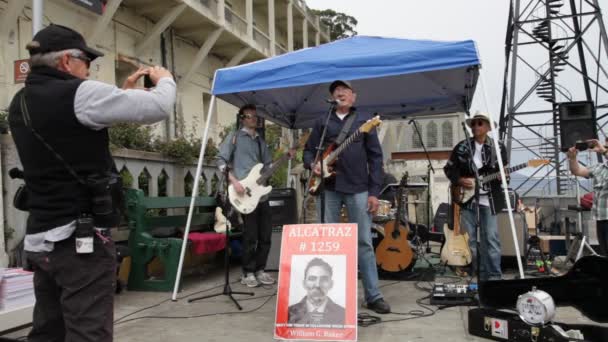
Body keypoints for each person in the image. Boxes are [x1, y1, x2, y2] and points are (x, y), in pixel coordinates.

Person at [8, 24, 176, 342]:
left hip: (41, 239)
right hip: (79, 241)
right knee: (89, 333)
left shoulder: (20, 101)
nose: (89, 68)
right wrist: (164, 79)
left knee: (48, 331)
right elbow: (159, 106)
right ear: (66, 61)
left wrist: (122, 93)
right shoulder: (79, 94)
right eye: (87, 60)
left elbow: (71, 128)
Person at [303, 80, 390, 314]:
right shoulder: (322, 122)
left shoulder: (364, 122)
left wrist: (374, 193)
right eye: (335, 91)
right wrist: (314, 164)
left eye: (344, 91)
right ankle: (331, 296)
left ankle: (373, 295)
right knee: (329, 242)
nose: (339, 93)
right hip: (328, 188)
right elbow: (309, 150)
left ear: (354, 96)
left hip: (359, 188)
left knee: (363, 242)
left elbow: (375, 159)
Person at [217, 104, 293, 287]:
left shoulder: (260, 141)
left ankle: (261, 270)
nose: (255, 120)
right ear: (242, 118)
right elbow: (220, 161)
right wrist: (234, 182)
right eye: (250, 116)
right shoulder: (234, 137)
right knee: (251, 235)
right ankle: (248, 272)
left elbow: (266, 166)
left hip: (262, 194)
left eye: (256, 117)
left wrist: (285, 158)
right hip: (243, 193)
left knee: (266, 235)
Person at [443, 112, 508, 281]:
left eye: (479, 123)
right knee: (469, 240)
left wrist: (503, 176)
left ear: (487, 127)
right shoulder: (462, 147)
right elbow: (448, 169)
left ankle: (494, 277)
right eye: (473, 124)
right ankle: (476, 273)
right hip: (467, 200)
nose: (475, 127)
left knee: (491, 239)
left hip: (490, 200)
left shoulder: (498, 147)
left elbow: (505, 172)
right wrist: (459, 180)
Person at [567, 139, 608, 256]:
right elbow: (577, 171)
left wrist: (603, 151)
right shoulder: (600, 168)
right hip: (601, 219)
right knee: (605, 254)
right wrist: (573, 158)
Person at [288, 257, 346, 325]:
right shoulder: (288, 313)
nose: (317, 285)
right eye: (312, 279)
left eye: (324, 279)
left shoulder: (343, 314)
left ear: (331, 284)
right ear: (304, 283)